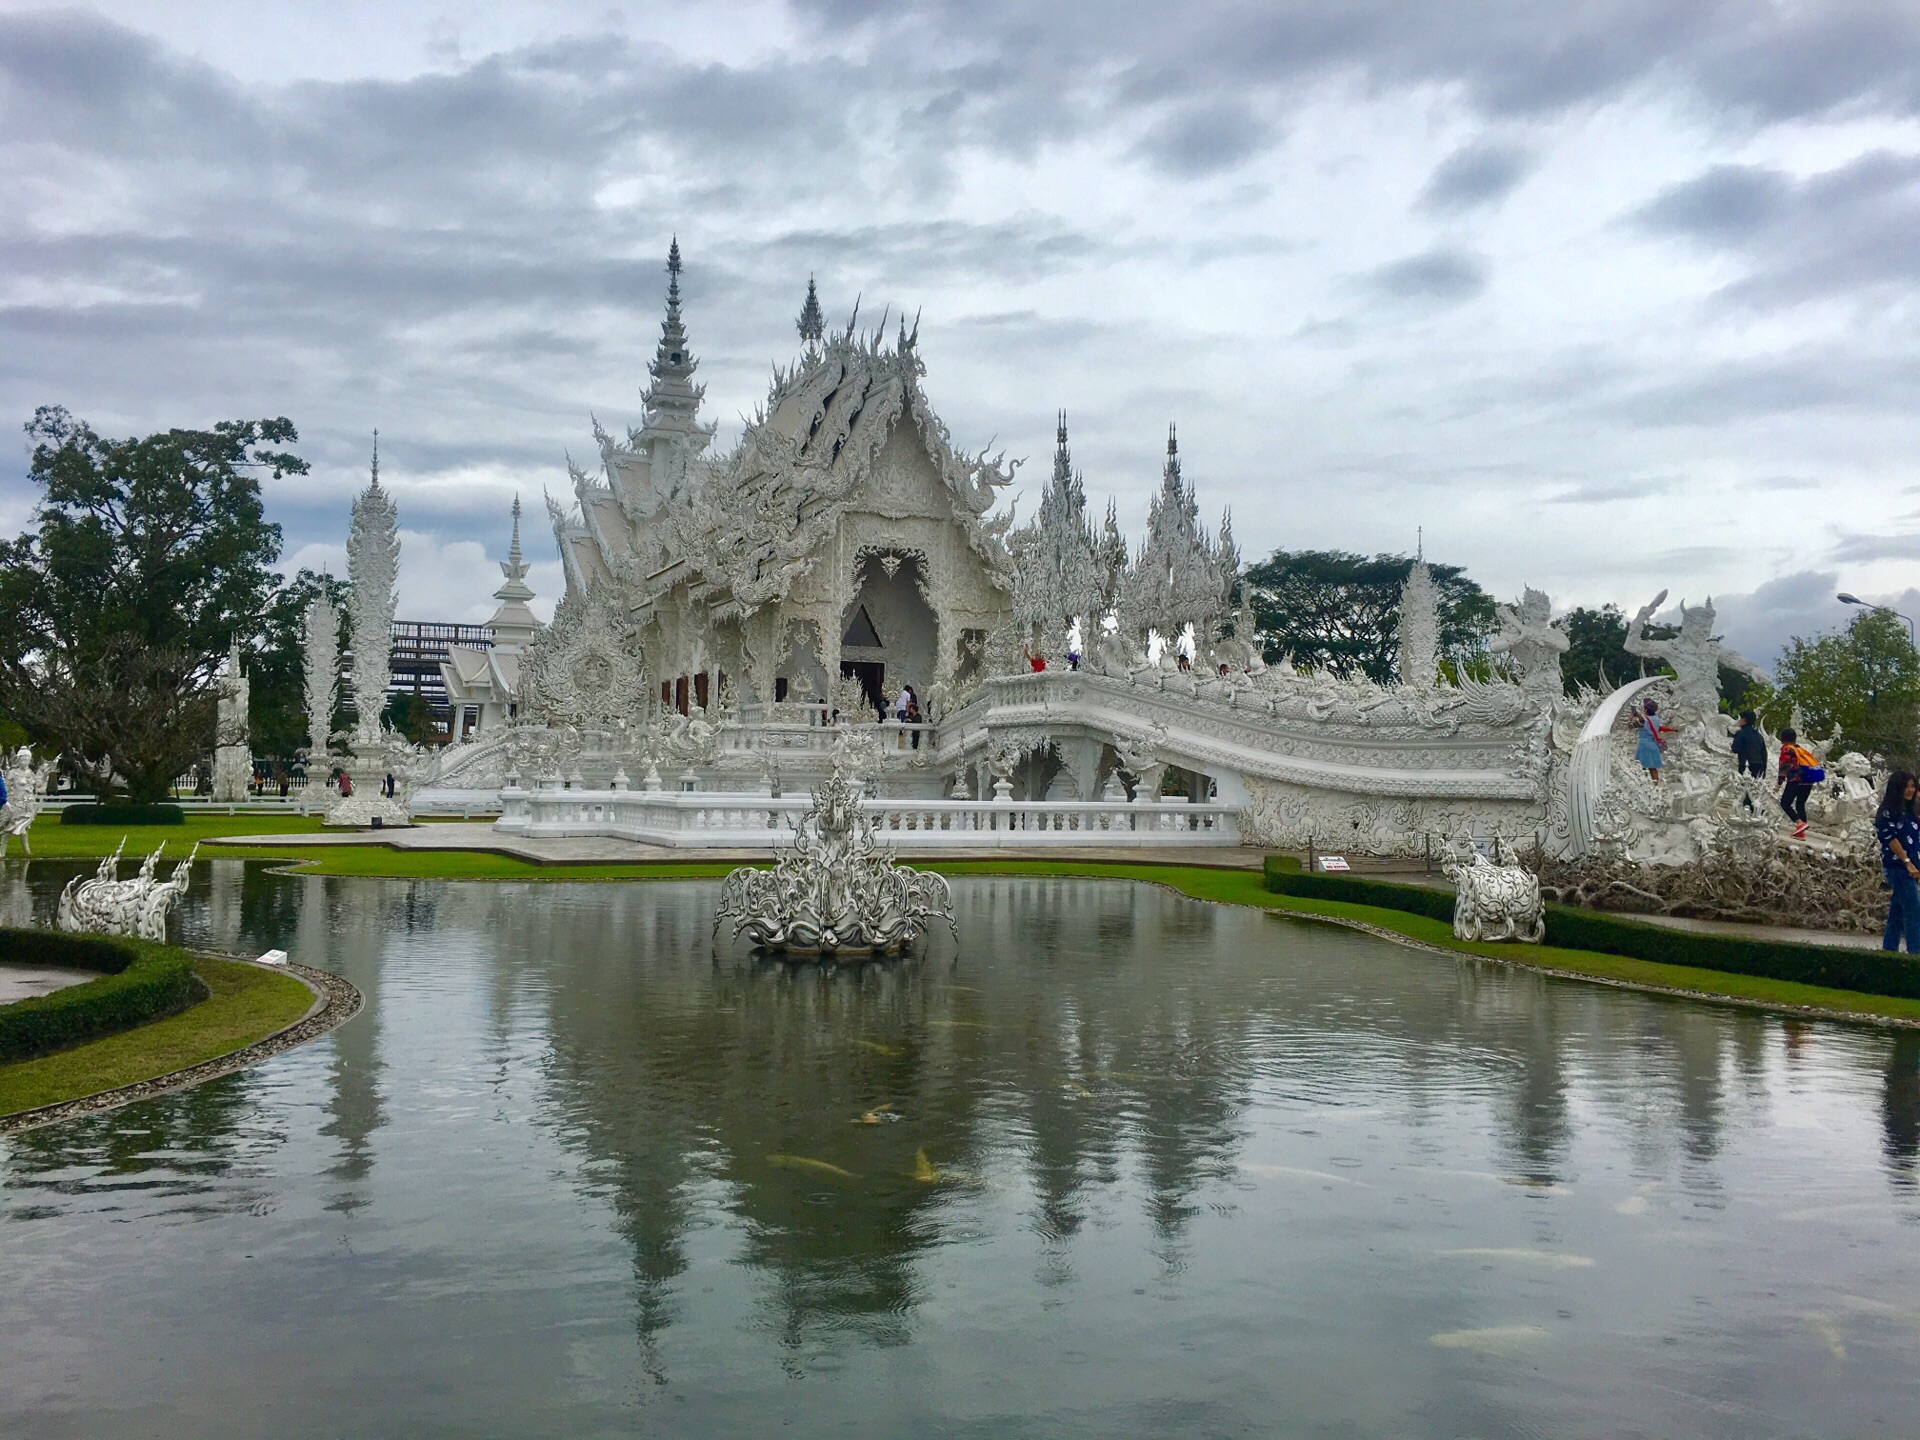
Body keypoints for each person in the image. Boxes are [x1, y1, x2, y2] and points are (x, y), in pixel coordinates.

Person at [1873, 771, 1920, 953]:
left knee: (1898, 914)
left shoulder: (1910, 811)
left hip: (1911, 868)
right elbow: (1890, 839)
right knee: (1913, 912)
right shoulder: (1887, 811)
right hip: (1898, 867)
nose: (1910, 790)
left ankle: (1889, 951)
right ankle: (1915, 955)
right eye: (1906, 786)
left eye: (1912, 786)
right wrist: (1907, 862)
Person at [1776, 726, 1818, 839]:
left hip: (1796, 780)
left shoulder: (1787, 749)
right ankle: (1801, 833)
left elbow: (1784, 767)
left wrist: (1779, 784)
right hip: (1808, 781)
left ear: (1782, 738)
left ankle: (1800, 823)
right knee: (1800, 804)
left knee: (1785, 803)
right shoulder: (1801, 750)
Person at [1634, 698, 1674, 783]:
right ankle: (1656, 787)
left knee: (1641, 768)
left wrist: (1635, 713)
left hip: (1644, 746)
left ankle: (1644, 786)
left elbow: (1637, 722)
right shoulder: (1656, 719)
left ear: (1646, 709)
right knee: (1653, 769)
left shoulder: (1644, 720)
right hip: (1653, 745)